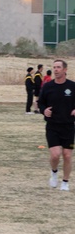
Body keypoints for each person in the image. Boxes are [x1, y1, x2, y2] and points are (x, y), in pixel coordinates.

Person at [40, 59, 75, 191]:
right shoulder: (48, 86)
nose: (56, 69)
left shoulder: (72, 86)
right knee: (55, 155)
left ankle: (65, 182)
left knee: (67, 155)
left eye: (58, 67)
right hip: (52, 126)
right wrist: (44, 110)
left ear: (65, 70)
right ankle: (54, 172)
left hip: (69, 127)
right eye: (54, 67)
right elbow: (40, 102)